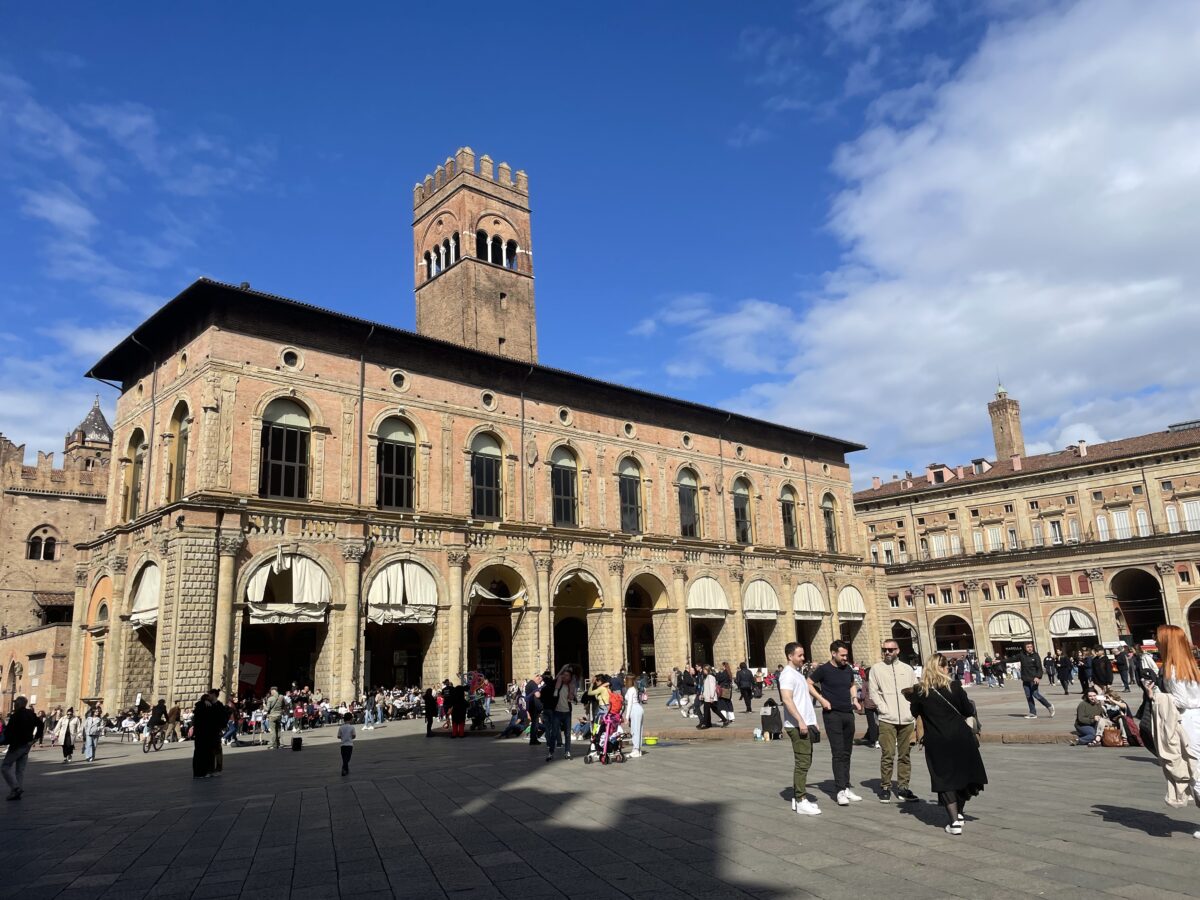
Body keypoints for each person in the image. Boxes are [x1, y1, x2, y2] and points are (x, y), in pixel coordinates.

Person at [904, 653, 988, 835]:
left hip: (937, 741)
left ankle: (954, 821)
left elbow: (914, 712)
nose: (948, 669)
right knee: (963, 775)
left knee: (944, 778)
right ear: (942, 668)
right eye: (946, 667)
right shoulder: (955, 687)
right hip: (961, 738)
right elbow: (967, 710)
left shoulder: (920, 691)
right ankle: (959, 813)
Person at [1145, 624, 1200, 826]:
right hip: (1197, 716)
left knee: (1194, 770)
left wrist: (1156, 695)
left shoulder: (1173, 670)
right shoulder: (1189, 665)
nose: (1156, 642)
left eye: (1159, 639)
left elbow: (1181, 701)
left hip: (1187, 721)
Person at [808, 640, 863, 806]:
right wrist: (821, 699)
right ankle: (839, 790)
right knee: (838, 752)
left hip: (848, 713)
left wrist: (854, 699)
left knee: (847, 752)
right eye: (843, 655)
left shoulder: (847, 669)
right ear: (833, 653)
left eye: (847, 655)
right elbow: (809, 683)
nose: (846, 658)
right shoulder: (823, 669)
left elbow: (852, 684)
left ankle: (846, 786)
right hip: (832, 715)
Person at [774, 642, 822, 815]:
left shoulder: (798, 674)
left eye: (803, 655)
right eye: (800, 655)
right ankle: (800, 799)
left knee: (806, 761)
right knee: (802, 762)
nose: (803, 658)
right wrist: (801, 721)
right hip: (796, 725)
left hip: (805, 723)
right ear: (790, 656)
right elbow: (787, 699)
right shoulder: (787, 675)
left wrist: (812, 720)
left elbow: (804, 700)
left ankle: (798, 797)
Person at [869, 638, 919, 803]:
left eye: (891, 650)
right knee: (888, 754)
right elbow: (873, 691)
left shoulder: (907, 669)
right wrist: (883, 708)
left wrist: (913, 711)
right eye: (885, 650)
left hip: (906, 719)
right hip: (887, 719)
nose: (887, 653)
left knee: (905, 755)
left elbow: (915, 690)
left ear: (898, 651)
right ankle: (885, 787)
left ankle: (903, 787)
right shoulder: (876, 669)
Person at [2, 697, 39, 801]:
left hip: (17, 746)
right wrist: (35, 739)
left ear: (19, 704)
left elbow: (9, 732)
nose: (14, 705)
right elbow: (40, 724)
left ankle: (15, 788)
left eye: (15, 703)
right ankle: (17, 791)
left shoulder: (16, 715)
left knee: (5, 767)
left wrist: (4, 741)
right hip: (27, 745)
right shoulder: (31, 714)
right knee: (20, 770)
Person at [543, 666, 577, 762]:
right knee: (554, 733)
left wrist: (573, 697)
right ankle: (551, 753)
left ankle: (567, 752)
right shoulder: (557, 685)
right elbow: (549, 680)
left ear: (570, 677)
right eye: (564, 675)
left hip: (567, 713)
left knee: (567, 734)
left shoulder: (571, 686)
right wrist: (563, 669)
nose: (565, 677)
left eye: (567, 675)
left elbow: (573, 698)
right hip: (557, 713)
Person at [1016, 642, 1055, 719]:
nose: (1030, 648)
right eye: (1028, 647)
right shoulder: (1022, 655)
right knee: (1028, 696)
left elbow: (1039, 668)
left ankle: (1049, 706)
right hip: (1025, 679)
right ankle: (1033, 713)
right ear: (1025, 648)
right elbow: (1012, 659)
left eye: (1031, 647)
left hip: (1034, 679)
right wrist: (1000, 661)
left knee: (1035, 694)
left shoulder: (1035, 655)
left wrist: (1037, 677)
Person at [623, 678, 644, 758]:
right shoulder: (633, 689)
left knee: (635, 730)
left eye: (625, 680)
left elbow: (630, 703)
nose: (624, 681)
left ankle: (636, 750)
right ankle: (638, 750)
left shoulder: (630, 690)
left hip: (634, 708)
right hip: (638, 708)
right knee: (638, 729)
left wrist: (627, 717)